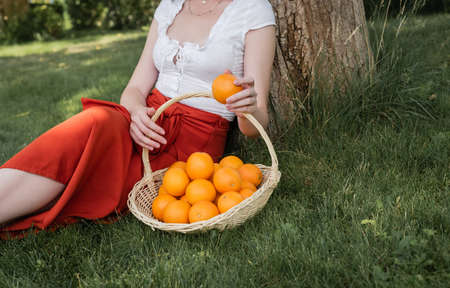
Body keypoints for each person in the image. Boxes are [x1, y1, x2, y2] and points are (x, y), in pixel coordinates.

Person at [0, 0, 276, 238]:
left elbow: (255, 124)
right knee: (95, 121)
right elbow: (133, 89)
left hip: (191, 150)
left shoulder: (253, 10)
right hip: (146, 121)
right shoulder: (170, 6)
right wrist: (135, 115)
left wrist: (246, 107)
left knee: (93, 175)